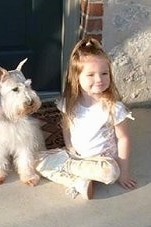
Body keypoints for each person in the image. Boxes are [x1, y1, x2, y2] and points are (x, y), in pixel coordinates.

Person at [36, 37, 137, 199]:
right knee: (36, 161)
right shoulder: (69, 104)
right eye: (91, 74)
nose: (99, 79)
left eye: (104, 73)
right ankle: (79, 181)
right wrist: (68, 146)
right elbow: (66, 126)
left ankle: (68, 171)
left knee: (111, 172)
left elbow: (123, 139)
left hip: (102, 161)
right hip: (76, 156)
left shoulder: (114, 108)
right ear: (77, 77)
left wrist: (124, 173)